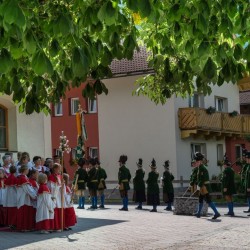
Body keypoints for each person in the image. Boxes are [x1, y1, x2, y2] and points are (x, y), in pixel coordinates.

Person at [194, 152, 220, 219]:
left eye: (197, 162)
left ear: (200, 161)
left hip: (205, 187)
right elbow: (199, 179)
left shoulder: (203, 168)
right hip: (202, 186)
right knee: (200, 199)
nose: (196, 163)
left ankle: (216, 213)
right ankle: (198, 213)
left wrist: (198, 185)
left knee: (209, 200)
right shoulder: (200, 168)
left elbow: (203, 179)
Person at [16, 165, 37, 231]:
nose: (28, 171)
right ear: (25, 170)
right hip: (24, 198)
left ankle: (26, 227)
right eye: (27, 170)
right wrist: (34, 195)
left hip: (25, 197)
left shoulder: (24, 177)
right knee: (24, 213)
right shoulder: (23, 178)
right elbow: (28, 189)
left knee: (26, 212)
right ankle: (23, 227)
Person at [47, 163, 63, 231]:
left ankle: (58, 226)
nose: (60, 170)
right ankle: (53, 226)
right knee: (54, 210)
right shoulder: (51, 177)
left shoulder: (59, 176)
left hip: (59, 195)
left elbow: (60, 186)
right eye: (59, 168)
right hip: (54, 195)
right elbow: (50, 187)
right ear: (55, 169)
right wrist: (58, 186)